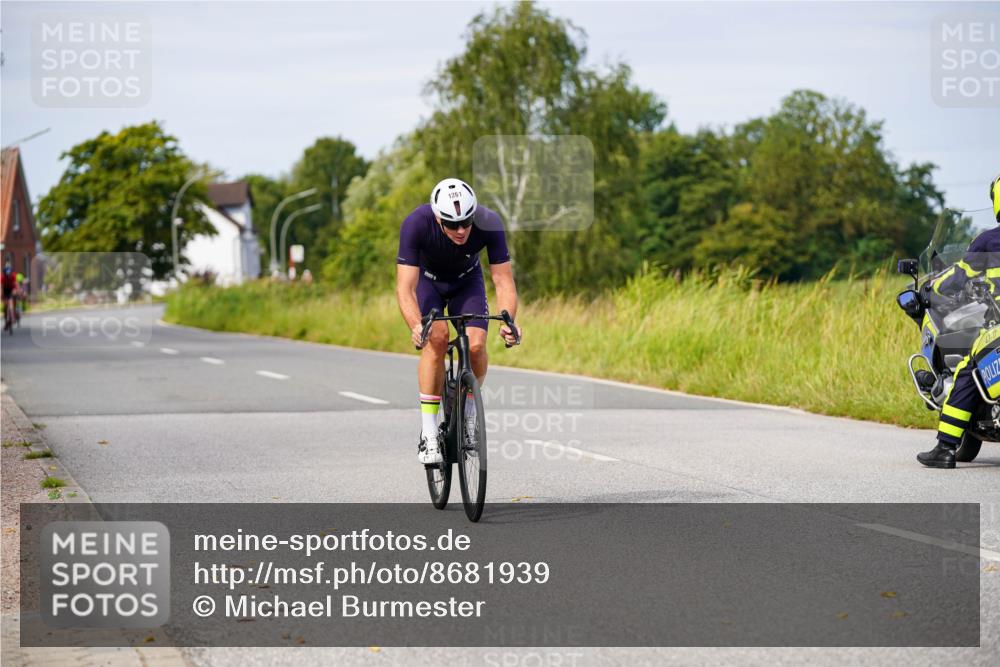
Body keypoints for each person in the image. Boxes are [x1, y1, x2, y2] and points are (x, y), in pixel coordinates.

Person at [396, 178, 522, 464]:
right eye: (452, 225)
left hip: (467, 283)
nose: (462, 230)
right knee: (437, 338)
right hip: (429, 284)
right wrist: (417, 325)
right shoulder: (416, 223)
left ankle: (467, 415)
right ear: (438, 217)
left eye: (466, 221)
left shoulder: (489, 221)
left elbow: (503, 281)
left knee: (477, 346)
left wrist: (509, 321)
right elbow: (404, 288)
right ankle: (429, 434)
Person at [918, 174, 1000, 468]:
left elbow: (958, 276)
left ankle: (945, 449)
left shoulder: (989, 241)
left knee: (969, 371)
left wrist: (932, 289)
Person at [1, 266, 17, 334]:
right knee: (5, 306)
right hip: (5, 290)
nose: (8, 276)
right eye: (6, 275)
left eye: (9, 274)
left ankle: (13, 315)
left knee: (12, 301)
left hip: (11, 289)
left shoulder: (13, 276)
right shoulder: (2, 277)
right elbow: (1, 287)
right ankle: (6, 322)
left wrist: (15, 291)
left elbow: (16, 285)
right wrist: (1, 295)